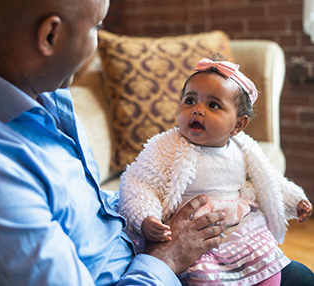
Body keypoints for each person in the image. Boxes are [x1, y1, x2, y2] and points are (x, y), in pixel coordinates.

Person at [0, 0, 228, 285]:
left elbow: (85, 209)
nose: (96, 43)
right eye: (96, 26)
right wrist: (169, 256)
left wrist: (154, 210)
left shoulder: (39, 88)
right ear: (50, 35)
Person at [118, 56, 314, 285]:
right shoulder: (167, 147)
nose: (197, 110)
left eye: (213, 105)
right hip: (194, 244)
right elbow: (139, 183)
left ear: (238, 125)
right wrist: (146, 218)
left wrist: (295, 200)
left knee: (269, 270)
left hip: (242, 234)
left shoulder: (243, 150)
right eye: (190, 101)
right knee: (205, 278)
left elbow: (268, 181)